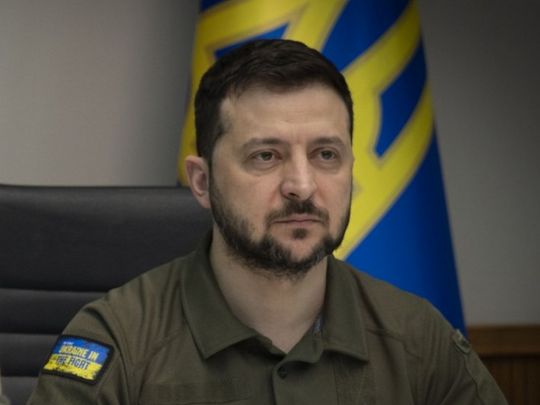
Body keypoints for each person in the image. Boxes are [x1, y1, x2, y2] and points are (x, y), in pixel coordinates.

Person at [28, 39, 507, 404]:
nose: (302, 185)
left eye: (325, 154)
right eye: (266, 156)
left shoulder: (417, 339)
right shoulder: (118, 339)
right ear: (202, 182)